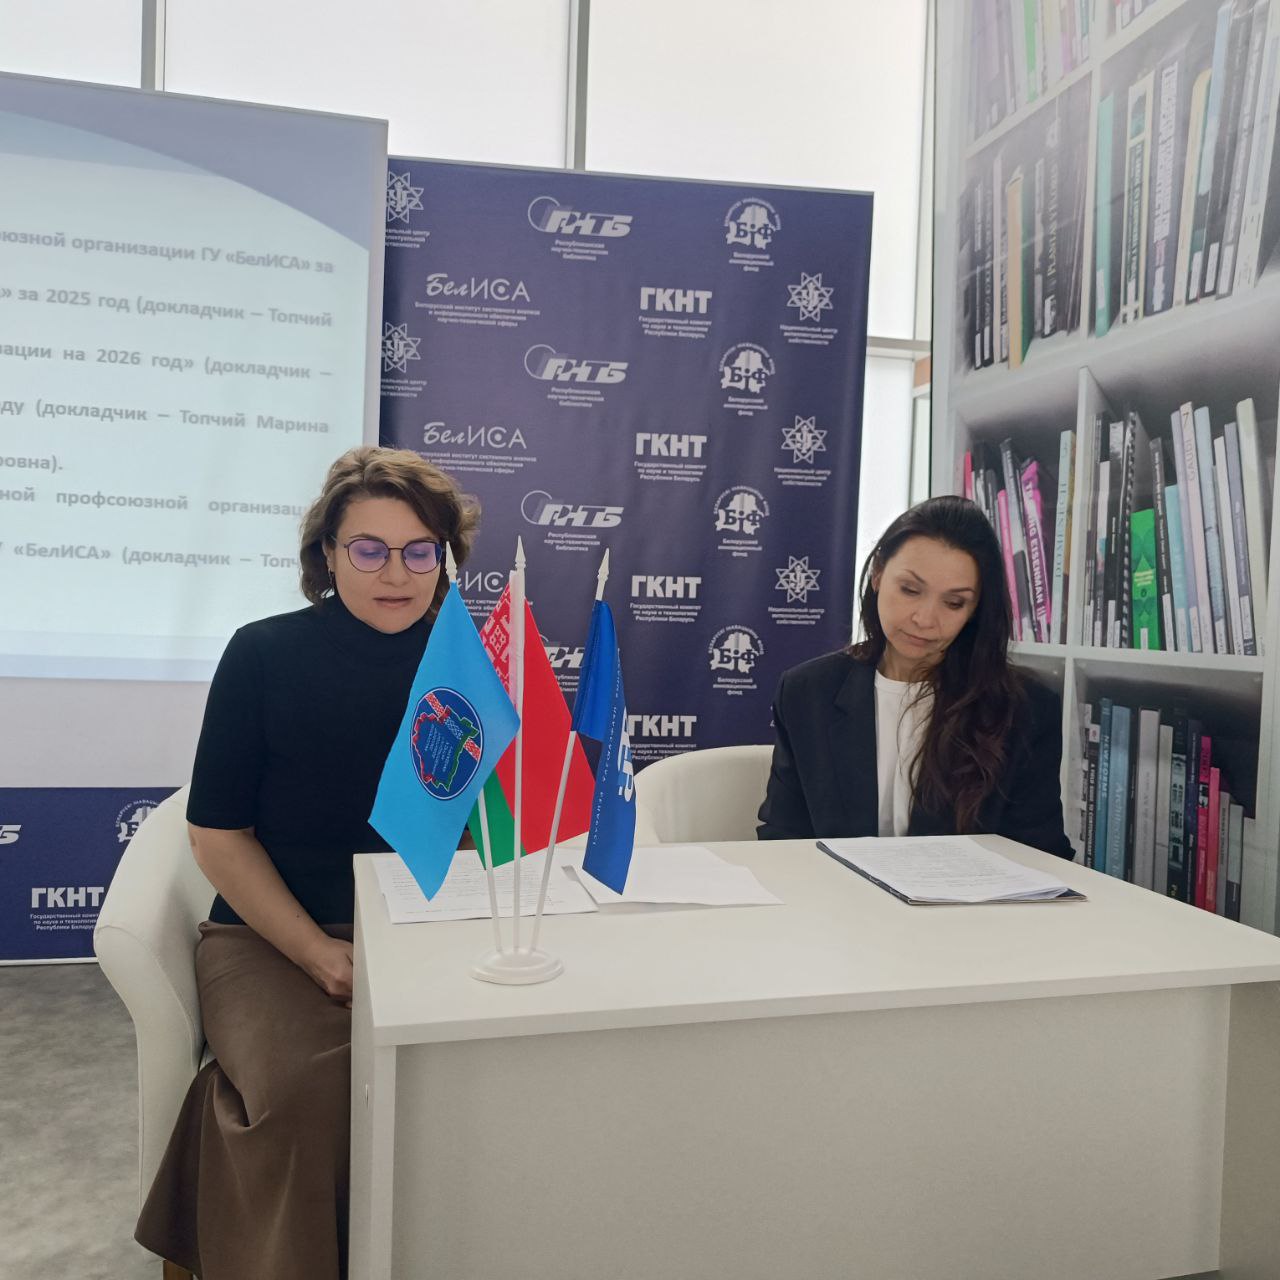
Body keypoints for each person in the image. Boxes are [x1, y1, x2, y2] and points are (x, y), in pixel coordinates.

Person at [135, 446, 479, 1280]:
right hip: (271, 940)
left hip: (424, 932)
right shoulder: (263, 655)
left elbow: (486, 828)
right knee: (313, 1092)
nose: (395, 573)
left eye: (420, 551)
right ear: (327, 555)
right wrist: (318, 953)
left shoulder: (467, 666)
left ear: (444, 559)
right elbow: (218, 836)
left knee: (493, 1076)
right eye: (369, 549)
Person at [758, 495, 1073, 857]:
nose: (924, 619)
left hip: (967, 895)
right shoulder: (807, 692)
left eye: (954, 603)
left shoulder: (1025, 708)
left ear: (975, 609)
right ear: (878, 574)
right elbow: (782, 839)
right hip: (834, 893)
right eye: (910, 589)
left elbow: (1040, 855)